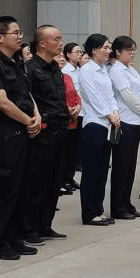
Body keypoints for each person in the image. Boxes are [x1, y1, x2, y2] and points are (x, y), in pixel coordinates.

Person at [0, 16, 42, 260]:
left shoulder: (16, 62)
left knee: (21, 189)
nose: (20, 36)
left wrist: (35, 115)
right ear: (0, 37)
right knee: (3, 191)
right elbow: (3, 103)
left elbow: (26, 94)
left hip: (24, 133)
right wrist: (28, 121)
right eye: (15, 32)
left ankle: (16, 238)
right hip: (4, 137)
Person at [23, 25, 73, 240]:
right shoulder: (31, 68)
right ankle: (30, 228)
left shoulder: (55, 69)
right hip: (43, 133)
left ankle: (45, 224)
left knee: (55, 182)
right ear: (42, 43)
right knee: (37, 183)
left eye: (61, 39)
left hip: (61, 130)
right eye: (56, 39)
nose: (60, 43)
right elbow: (28, 100)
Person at [77, 34, 119, 225]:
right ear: (93, 49)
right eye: (105, 47)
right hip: (94, 123)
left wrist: (115, 112)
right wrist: (108, 113)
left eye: (109, 48)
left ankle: (98, 209)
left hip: (107, 124)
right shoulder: (86, 70)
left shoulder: (103, 70)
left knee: (102, 170)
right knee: (92, 171)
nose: (108, 51)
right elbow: (92, 96)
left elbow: (110, 95)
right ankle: (89, 212)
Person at [107, 35, 140, 220]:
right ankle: (118, 207)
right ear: (117, 52)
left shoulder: (130, 70)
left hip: (135, 122)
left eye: (133, 50)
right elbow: (127, 95)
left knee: (130, 166)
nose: (132, 53)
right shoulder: (117, 70)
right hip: (124, 121)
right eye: (128, 50)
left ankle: (126, 202)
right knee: (121, 167)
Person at [60, 42, 86, 193]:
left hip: (80, 111)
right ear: (68, 54)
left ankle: (70, 177)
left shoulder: (79, 70)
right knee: (66, 149)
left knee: (74, 149)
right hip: (69, 113)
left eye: (80, 52)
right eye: (77, 52)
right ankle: (63, 179)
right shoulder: (65, 70)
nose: (80, 54)